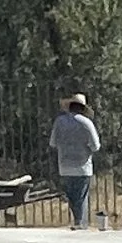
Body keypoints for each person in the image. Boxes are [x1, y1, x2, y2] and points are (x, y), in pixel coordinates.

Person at [50, 94, 101, 229]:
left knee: (72, 197)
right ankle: (81, 224)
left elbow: (53, 143)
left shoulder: (59, 122)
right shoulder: (86, 123)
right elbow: (96, 146)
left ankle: (78, 221)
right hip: (82, 167)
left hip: (64, 166)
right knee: (81, 198)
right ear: (82, 108)